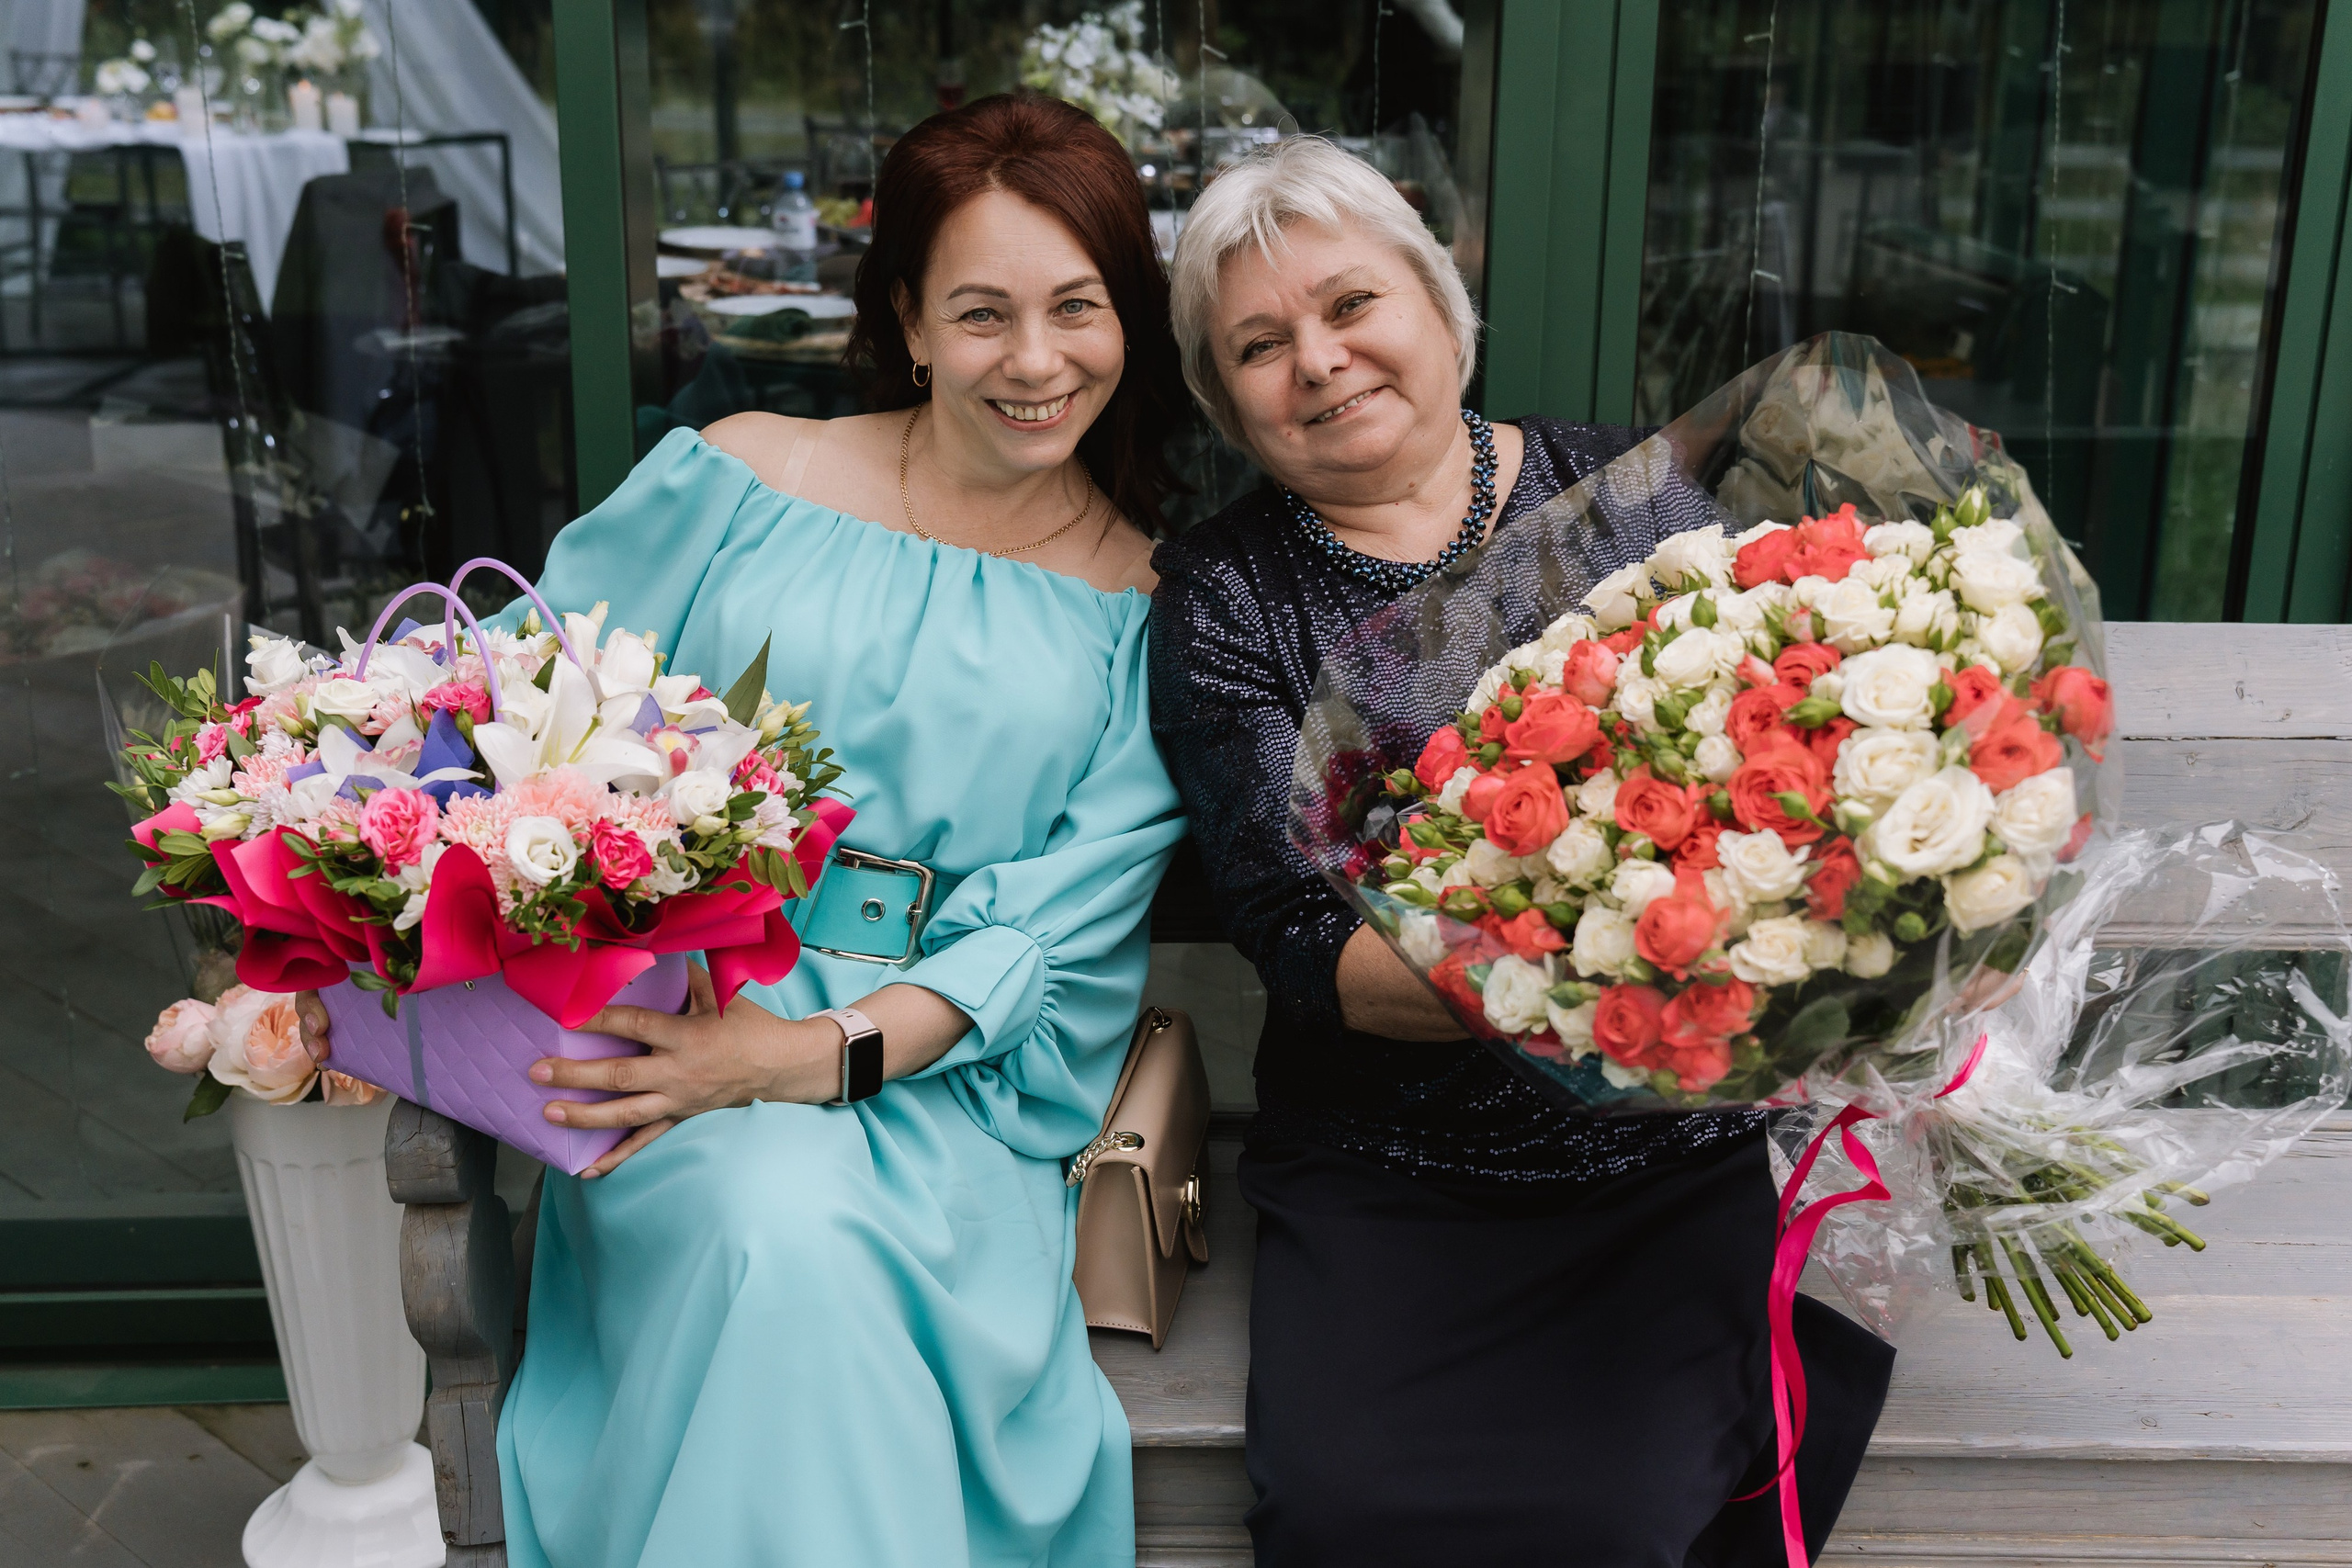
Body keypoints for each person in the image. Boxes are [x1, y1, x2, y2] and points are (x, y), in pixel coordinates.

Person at [303, 92, 1186, 1565]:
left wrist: (809, 1056)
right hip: (680, 1014)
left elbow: (1054, 928)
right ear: (907, 318)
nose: (1035, 363)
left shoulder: (1148, 608)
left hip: (926, 1083)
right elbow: (521, 705)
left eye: (1076, 310)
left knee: (810, 1241)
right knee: (769, 1230)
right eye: (981, 313)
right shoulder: (743, 478)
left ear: (1127, 322)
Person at [1148, 135, 1894, 1567]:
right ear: (1222, 398)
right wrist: (1602, 950)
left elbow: (1804, 774)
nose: (1320, 360)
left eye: (1351, 305)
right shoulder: (1224, 602)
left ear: (1439, 304)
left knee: (1615, 1520)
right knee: (1345, 1511)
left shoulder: (1634, 502)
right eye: (1259, 343)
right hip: (1390, 1169)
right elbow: (1308, 946)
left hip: (1663, 1144)